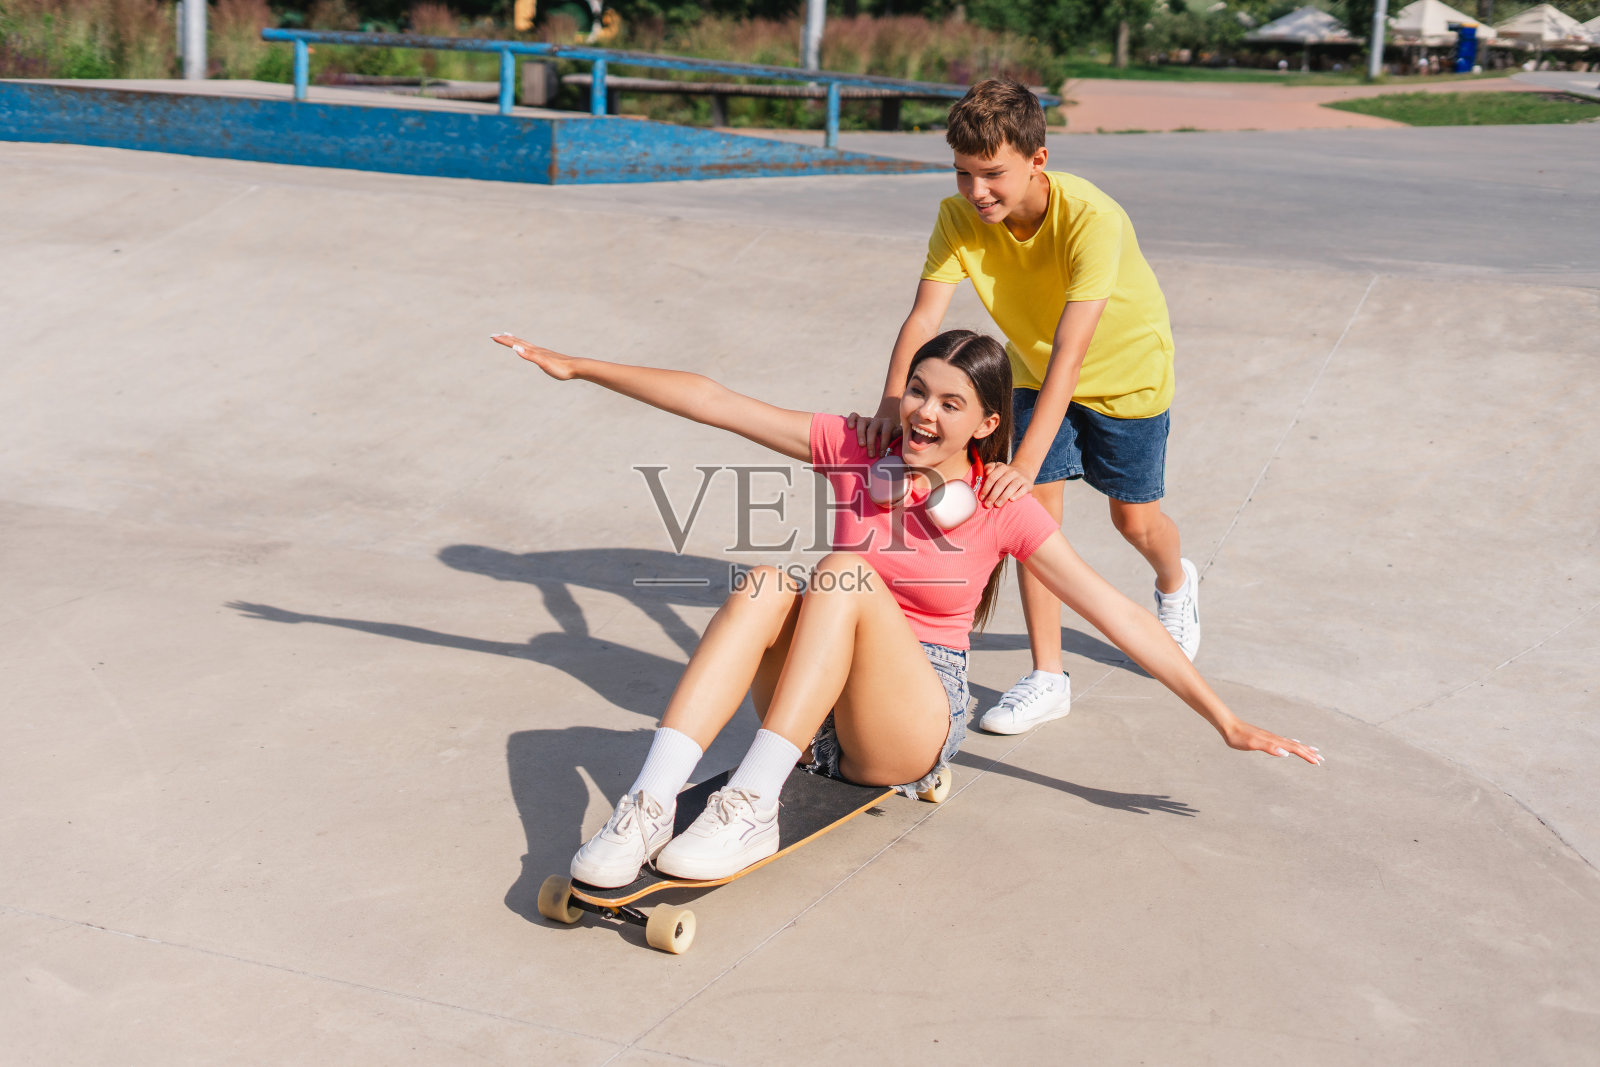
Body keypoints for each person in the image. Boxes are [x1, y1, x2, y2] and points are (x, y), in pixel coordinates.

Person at [489, 328, 1321, 889]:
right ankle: (648, 805)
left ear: (988, 423)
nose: (924, 411)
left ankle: (750, 808)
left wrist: (1226, 718)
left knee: (844, 570)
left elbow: (1117, 612)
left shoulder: (1005, 506)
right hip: (813, 717)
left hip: (914, 715)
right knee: (769, 575)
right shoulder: (858, 446)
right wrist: (583, 366)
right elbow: (714, 400)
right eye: (919, 390)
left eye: (951, 403)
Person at [851, 78, 1196, 739]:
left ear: (1039, 159)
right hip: (1034, 371)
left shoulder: (1092, 219)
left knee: (1136, 519)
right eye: (962, 174)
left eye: (992, 174)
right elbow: (926, 314)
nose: (976, 192)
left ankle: (1176, 583)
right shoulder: (959, 218)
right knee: (1029, 511)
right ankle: (1048, 674)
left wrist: (1028, 453)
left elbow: (1075, 346)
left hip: (1126, 378)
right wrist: (893, 402)